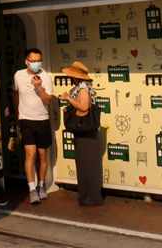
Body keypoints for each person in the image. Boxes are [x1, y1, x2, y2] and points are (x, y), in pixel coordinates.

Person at [12, 48, 53, 204]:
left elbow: (48, 100)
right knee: (31, 154)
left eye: (39, 61)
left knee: (42, 156)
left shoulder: (46, 77)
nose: (37, 64)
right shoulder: (18, 75)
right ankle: (31, 189)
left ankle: (41, 186)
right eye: (33, 61)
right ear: (26, 61)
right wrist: (17, 115)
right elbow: (15, 93)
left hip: (42, 120)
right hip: (26, 120)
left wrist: (39, 87)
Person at [59, 61, 103, 207]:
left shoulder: (82, 88)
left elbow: (83, 107)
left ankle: (90, 198)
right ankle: (87, 197)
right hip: (85, 132)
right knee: (85, 164)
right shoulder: (83, 87)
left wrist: (68, 98)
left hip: (85, 132)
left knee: (86, 164)